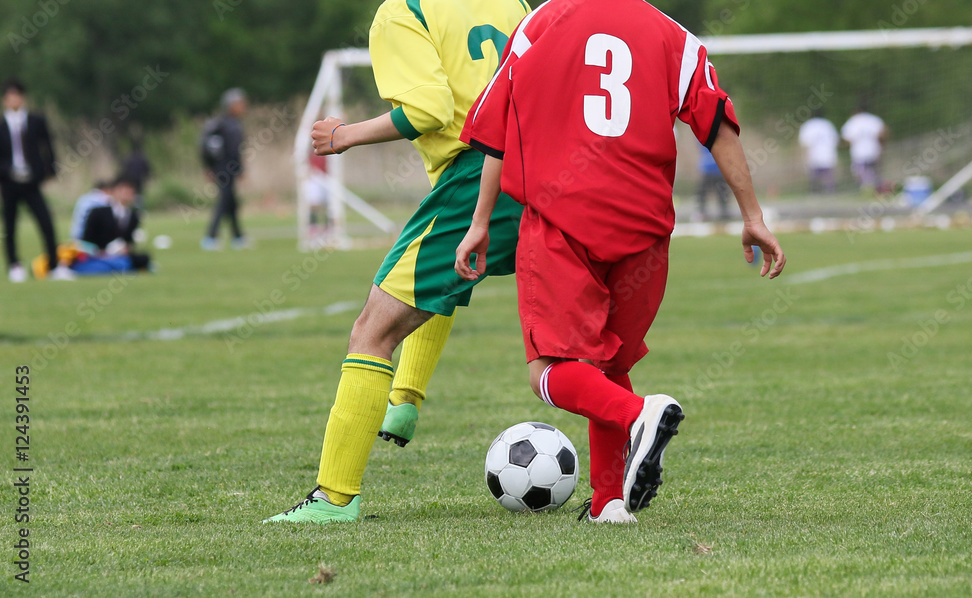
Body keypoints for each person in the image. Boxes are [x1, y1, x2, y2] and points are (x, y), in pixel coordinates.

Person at [455, 0, 786, 523]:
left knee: (551, 370)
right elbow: (718, 124)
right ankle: (610, 503)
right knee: (612, 365)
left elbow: (495, 130)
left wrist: (479, 221)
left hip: (563, 220)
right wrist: (752, 215)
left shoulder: (541, 23)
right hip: (644, 229)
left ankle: (640, 416)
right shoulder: (675, 38)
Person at [264, 0, 530, 524]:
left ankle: (334, 499)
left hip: (480, 177)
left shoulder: (402, 12)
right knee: (458, 277)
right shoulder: (511, 2)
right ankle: (404, 400)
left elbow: (428, 108)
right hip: (549, 168)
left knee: (372, 329)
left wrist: (343, 136)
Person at [0, 77, 73, 282]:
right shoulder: (2, 125)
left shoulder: (36, 121)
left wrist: (49, 172)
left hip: (32, 180)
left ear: (23, 98)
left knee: (46, 222)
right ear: (5, 100)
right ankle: (14, 265)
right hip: (9, 181)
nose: (13, 100)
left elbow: (47, 147)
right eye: (9, 96)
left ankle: (54, 265)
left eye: (17, 96)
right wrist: (7, 171)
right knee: (10, 224)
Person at [201, 88, 248, 250]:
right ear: (231, 105)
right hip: (222, 169)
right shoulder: (220, 124)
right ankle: (211, 237)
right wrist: (208, 167)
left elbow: (237, 151)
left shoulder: (235, 123)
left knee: (231, 202)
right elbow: (206, 147)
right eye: (240, 103)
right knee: (224, 201)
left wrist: (240, 169)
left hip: (231, 169)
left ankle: (238, 237)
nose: (243, 106)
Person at [75, 176, 150, 273]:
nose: (126, 195)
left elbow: (129, 241)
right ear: (114, 191)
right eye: (123, 191)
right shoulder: (98, 212)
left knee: (142, 258)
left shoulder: (133, 216)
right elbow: (86, 239)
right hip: (97, 254)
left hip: (119, 256)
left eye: (129, 192)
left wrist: (124, 249)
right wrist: (102, 251)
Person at [841, 101, 887, 191]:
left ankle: (867, 189)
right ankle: (876, 189)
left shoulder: (853, 121)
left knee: (860, 172)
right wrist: (882, 145)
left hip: (859, 153)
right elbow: (883, 133)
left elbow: (847, 139)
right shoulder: (874, 119)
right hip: (874, 151)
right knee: (875, 171)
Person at [798, 109, 839, 194]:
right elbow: (835, 140)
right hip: (828, 154)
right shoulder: (828, 125)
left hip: (814, 155)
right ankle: (830, 192)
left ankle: (815, 192)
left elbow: (804, 143)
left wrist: (804, 157)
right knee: (828, 176)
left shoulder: (808, 125)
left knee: (814, 177)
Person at [694, 144, 730, 220]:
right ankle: (702, 211)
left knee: (722, 193)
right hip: (708, 170)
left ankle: (724, 212)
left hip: (719, 170)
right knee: (703, 193)